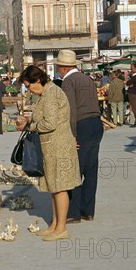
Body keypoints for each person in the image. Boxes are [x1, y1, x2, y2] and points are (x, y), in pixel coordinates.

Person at [16, 65, 80, 241]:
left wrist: (29, 126)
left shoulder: (52, 94)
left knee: (59, 187)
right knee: (54, 187)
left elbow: (49, 123)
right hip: (51, 147)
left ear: (38, 80)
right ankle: (55, 224)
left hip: (58, 146)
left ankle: (61, 228)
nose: (29, 90)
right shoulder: (47, 94)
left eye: (29, 86)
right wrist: (29, 120)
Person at [55, 50, 104, 223]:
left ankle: (73, 212)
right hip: (96, 124)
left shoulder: (68, 81)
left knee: (74, 170)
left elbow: (71, 111)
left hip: (81, 125)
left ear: (63, 68)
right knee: (91, 170)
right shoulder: (87, 79)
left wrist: (71, 136)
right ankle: (87, 210)